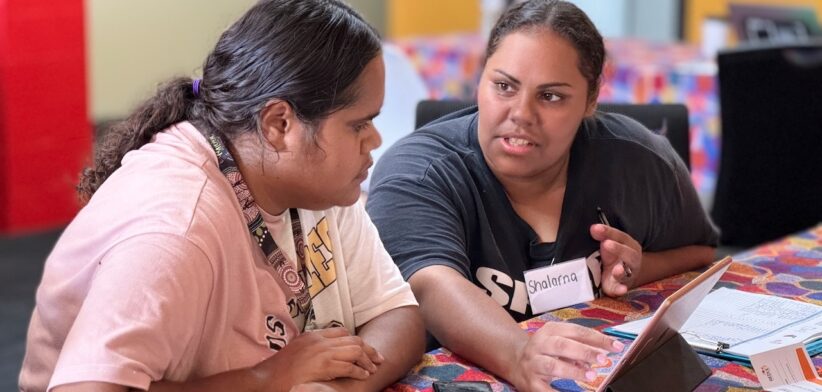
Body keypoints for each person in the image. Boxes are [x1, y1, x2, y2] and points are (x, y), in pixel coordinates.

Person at [19, 1, 424, 391]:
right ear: (279, 124)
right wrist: (267, 380)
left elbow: (397, 315)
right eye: (359, 125)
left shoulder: (318, 185)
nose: (375, 140)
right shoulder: (177, 228)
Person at [365, 0, 718, 391]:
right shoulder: (418, 171)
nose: (521, 113)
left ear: (591, 99)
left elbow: (702, 256)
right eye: (504, 86)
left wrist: (637, 268)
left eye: (550, 96)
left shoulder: (642, 161)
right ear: (479, 81)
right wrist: (520, 353)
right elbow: (429, 286)